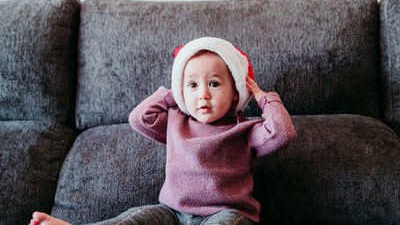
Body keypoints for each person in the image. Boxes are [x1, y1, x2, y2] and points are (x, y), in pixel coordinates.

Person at [29, 37, 297, 225]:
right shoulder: (175, 122)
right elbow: (139, 118)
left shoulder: (245, 131)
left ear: (236, 91)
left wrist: (263, 97)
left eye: (214, 84)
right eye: (192, 85)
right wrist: (174, 93)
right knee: (135, 218)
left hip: (225, 213)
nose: (202, 94)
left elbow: (282, 133)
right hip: (172, 214)